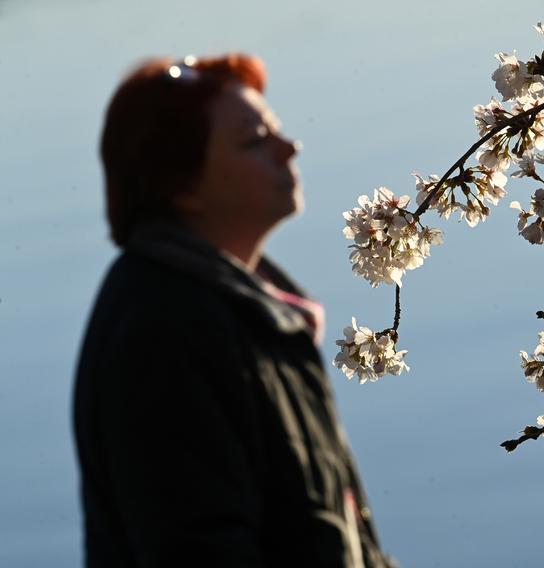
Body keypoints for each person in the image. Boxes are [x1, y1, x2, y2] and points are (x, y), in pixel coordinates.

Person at [73, 53, 394, 567]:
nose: (291, 147)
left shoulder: (249, 312)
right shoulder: (164, 331)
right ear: (181, 186)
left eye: (276, 131)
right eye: (254, 141)